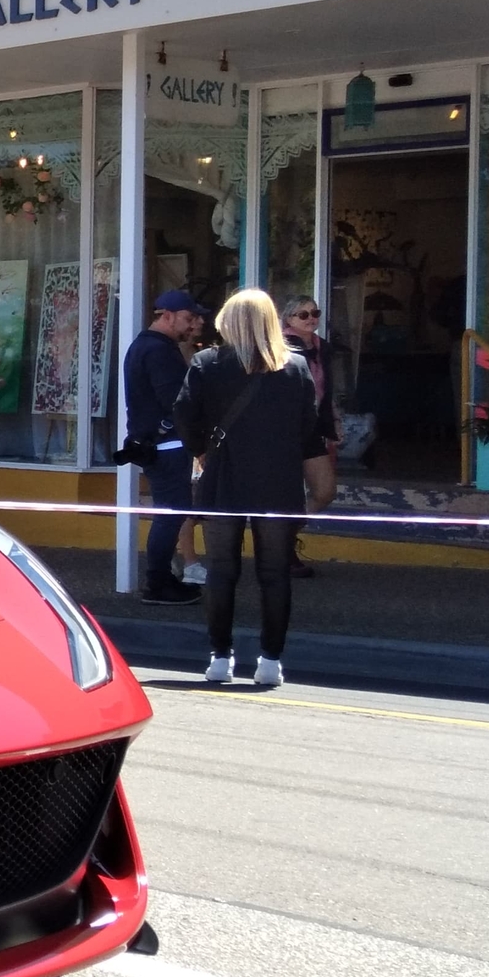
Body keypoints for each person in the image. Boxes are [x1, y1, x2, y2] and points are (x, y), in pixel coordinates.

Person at [173, 288, 324, 688]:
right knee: (275, 572)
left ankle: (219, 657)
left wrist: (202, 450)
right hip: (278, 481)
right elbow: (309, 426)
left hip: (223, 476)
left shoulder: (207, 363)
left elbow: (184, 414)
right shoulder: (295, 367)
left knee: (222, 570)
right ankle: (270, 660)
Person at [122, 289, 207, 604]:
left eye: (195, 318)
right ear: (166, 315)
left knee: (170, 513)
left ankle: (161, 580)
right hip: (166, 445)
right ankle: (157, 583)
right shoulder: (158, 350)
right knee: (171, 514)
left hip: (156, 444)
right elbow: (176, 402)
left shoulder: (146, 346)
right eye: (188, 318)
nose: (193, 325)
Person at [280, 296, 340, 578]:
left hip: (314, 428)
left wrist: (333, 422)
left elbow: (326, 390)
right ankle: (282, 549)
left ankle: (282, 539)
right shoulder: (278, 347)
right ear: (288, 320)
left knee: (325, 490)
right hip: (286, 430)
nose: (311, 319)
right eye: (302, 315)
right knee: (287, 493)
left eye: (315, 312)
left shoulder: (321, 347)